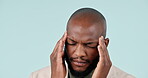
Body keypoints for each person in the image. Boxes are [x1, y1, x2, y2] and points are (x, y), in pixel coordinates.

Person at [29, 8, 135, 78]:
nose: (79, 53)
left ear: (105, 44)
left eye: (89, 44)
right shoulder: (38, 76)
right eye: (72, 42)